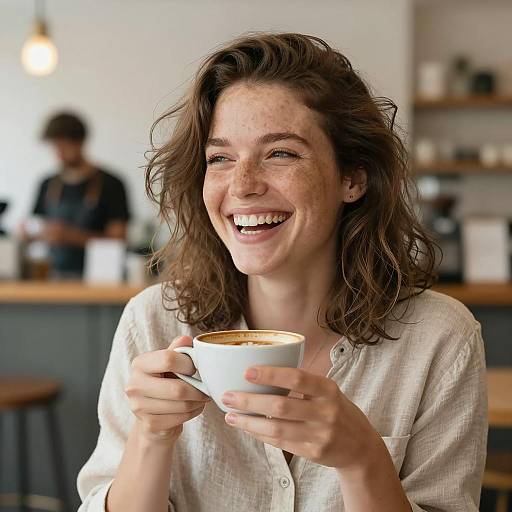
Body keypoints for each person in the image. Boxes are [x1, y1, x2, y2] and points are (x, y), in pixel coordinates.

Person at [77, 33, 487, 512]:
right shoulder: (153, 323)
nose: (243, 185)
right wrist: (151, 434)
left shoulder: (440, 338)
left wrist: (363, 460)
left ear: (352, 178)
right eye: (221, 158)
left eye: (281, 153)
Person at [24, 112, 130, 278]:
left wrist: (71, 236)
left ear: (80, 141)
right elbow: (35, 227)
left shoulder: (111, 184)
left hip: (99, 279)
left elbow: (118, 240)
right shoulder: (47, 184)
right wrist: (28, 234)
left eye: (63, 146)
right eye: (54, 146)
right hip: (51, 277)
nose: (58, 152)